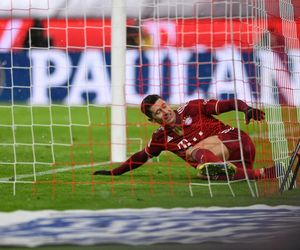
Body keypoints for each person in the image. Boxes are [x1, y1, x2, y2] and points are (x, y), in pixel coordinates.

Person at [94, 94, 273, 180]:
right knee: (205, 173)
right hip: (227, 161)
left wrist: (246, 109)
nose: (165, 112)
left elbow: (230, 103)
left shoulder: (191, 107)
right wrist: (114, 172)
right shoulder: (160, 137)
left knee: (191, 153)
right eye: (158, 112)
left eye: (164, 106)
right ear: (152, 119)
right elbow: (141, 156)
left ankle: (255, 174)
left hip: (237, 141)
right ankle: (265, 173)